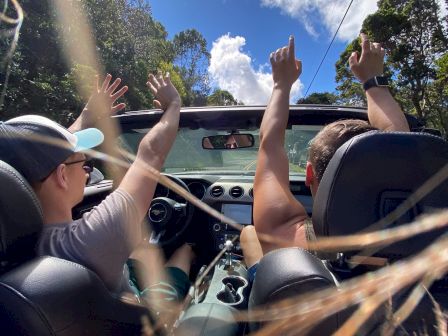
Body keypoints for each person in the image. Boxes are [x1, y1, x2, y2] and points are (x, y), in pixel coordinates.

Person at [0, 72, 194, 301]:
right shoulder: (90, 238)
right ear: (62, 176)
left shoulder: (17, 247)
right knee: (185, 251)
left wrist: (87, 115)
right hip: (144, 316)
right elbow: (151, 154)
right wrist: (174, 103)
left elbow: (48, 154)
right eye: (85, 163)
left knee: (143, 249)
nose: (87, 171)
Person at [252, 34, 410, 254]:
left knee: (249, 235)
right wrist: (373, 80)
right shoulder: (411, 230)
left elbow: (269, 144)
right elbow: (400, 144)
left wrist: (281, 83)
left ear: (309, 174)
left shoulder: (281, 231)